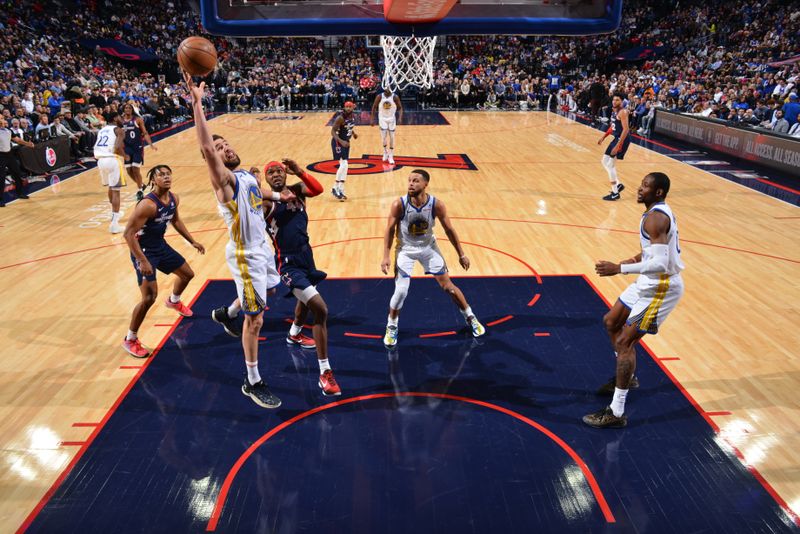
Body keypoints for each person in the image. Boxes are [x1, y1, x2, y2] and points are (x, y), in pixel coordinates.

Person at [185, 71, 294, 409]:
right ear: (212, 159)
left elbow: (266, 193)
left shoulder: (247, 176)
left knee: (272, 288)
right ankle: (252, 380)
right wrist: (198, 106)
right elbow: (204, 145)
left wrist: (287, 195)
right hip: (246, 255)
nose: (225, 148)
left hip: (261, 249)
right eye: (219, 148)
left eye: (226, 144)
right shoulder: (224, 182)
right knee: (256, 318)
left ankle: (226, 313)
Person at [584, 172, 685, 428]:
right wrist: (627, 261)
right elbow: (651, 252)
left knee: (624, 341)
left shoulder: (656, 217)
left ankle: (616, 413)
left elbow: (661, 262)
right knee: (611, 321)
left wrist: (620, 269)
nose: (639, 189)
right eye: (641, 185)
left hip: (661, 287)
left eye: (645, 186)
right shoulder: (654, 214)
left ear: (659, 192)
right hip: (647, 282)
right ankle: (628, 375)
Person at [380, 169, 486, 347]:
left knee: (449, 287)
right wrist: (385, 256)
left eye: (415, 181)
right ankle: (391, 325)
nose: (411, 184)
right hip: (405, 250)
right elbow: (389, 230)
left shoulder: (436, 204)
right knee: (401, 291)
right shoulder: (399, 204)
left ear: (425, 184)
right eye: (409, 181)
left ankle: (471, 317)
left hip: (429, 247)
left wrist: (461, 254)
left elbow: (449, 230)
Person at [263, 158, 341, 396]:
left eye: (279, 171)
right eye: (270, 173)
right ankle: (324, 373)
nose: (276, 175)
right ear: (266, 179)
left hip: (306, 255)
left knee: (305, 300)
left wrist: (300, 171)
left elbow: (317, 189)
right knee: (320, 309)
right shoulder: (267, 202)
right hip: (287, 263)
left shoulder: (297, 190)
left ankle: (295, 333)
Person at [122, 165, 205, 358]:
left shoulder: (174, 198)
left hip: (160, 245)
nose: (166, 177)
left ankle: (173, 301)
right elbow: (128, 234)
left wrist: (192, 240)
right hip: (143, 251)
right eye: (161, 175)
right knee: (149, 297)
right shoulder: (147, 205)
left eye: (168, 174)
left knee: (187, 275)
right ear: (153, 180)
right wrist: (142, 260)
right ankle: (130, 338)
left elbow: (175, 220)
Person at [92, 111, 127, 233]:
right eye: (119, 116)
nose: (121, 118)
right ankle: (114, 224)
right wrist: (126, 156)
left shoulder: (102, 130)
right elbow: (117, 147)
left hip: (100, 161)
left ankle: (114, 213)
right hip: (112, 160)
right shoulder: (119, 130)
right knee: (116, 191)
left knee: (111, 188)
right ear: (114, 118)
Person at [122, 102, 157, 201]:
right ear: (124, 110)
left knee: (135, 168)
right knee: (129, 171)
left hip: (137, 147)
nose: (127, 109)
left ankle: (140, 190)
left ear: (132, 110)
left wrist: (150, 144)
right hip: (127, 148)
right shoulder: (121, 121)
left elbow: (145, 133)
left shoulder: (138, 119)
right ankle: (141, 185)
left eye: (129, 108)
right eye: (126, 108)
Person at [597, 93, 630, 201]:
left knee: (610, 165)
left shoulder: (623, 112)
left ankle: (615, 193)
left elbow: (626, 130)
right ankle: (618, 184)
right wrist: (604, 137)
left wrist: (618, 145)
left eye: (617, 100)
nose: (614, 102)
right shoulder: (614, 111)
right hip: (616, 138)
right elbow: (613, 127)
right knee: (604, 161)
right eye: (613, 100)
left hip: (622, 140)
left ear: (622, 101)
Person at [0, 117, 34, 207]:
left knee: (17, 173)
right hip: (1, 156)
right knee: (1, 177)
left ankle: (20, 193)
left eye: (2, 119)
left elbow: (18, 140)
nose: (1, 120)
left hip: (9, 154)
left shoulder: (8, 131)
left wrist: (28, 144)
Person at [330, 100, 357, 200]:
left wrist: (353, 134)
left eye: (350, 106)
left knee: (345, 166)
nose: (348, 108)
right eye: (347, 106)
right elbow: (332, 132)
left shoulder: (353, 116)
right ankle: (335, 187)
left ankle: (340, 188)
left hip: (346, 142)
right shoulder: (340, 118)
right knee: (344, 164)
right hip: (338, 142)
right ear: (344, 107)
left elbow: (348, 127)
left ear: (353, 107)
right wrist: (341, 142)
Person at [370, 88, 403, 165]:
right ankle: (385, 152)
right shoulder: (379, 97)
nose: (388, 89)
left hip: (392, 119)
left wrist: (400, 117)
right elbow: (374, 107)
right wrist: (372, 118)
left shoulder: (395, 97)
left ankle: (391, 155)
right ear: (384, 88)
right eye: (386, 88)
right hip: (382, 118)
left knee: (392, 137)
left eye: (389, 88)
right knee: (384, 137)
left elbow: (400, 108)